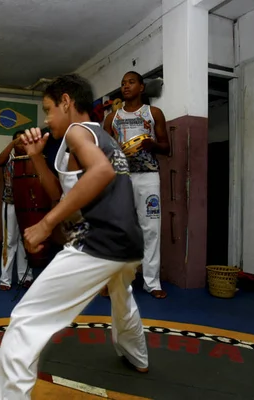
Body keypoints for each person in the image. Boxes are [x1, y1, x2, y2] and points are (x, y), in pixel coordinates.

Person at [0, 74, 148, 399]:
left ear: (66, 102)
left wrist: (46, 225)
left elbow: (101, 173)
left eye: (49, 109)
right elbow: (60, 195)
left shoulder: (78, 131)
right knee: (122, 299)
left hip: (97, 243)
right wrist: (36, 156)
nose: (47, 119)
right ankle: (138, 356)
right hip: (128, 245)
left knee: (26, 320)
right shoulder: (100, 136)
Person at [103, 71, 170, 299]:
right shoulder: (112, 118)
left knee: (151, 229)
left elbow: (166, 147)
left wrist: (152, 144)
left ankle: (152, 283)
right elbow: (103, 150)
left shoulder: (154, 113)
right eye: (123, 83)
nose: (126, 86)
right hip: (122, 177)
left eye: (131, 82)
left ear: (142, 87)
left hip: (149, 176)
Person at [0, 130, 33, 291]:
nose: (21, 145)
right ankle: (5, 279)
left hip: (28, 206)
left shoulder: (32, 159)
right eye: (18, 142)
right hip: (10, 204)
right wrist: (13, 142)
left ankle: (26, 276)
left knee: (25, 242)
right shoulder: (9, 159)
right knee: (9, 242)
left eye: (24, 142)